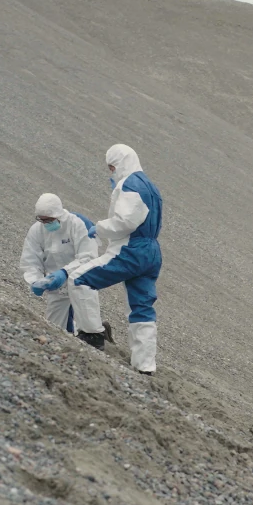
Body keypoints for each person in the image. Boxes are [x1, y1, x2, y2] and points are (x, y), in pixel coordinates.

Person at [69, 144, 163, 375]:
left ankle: (92, 334)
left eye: (112, 167)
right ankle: (144, 365)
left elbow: (126, 221)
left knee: (79, 280)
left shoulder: (130, 184)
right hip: (151, 251)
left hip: (130, 249)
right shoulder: (151, 187)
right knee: (142, 306)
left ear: (119, 164)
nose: (111, 172)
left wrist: (99, 229)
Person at [19, 193, 112, 350]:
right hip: (56, 285)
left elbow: (88, 257)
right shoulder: (37, 231)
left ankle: (96, 335)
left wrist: (65, 272)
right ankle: (84, 330)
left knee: (88, 323)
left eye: (49, 219)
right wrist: (35, 281)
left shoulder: (77, 224)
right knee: (53, 330)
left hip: (81, 280)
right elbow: (30, 260)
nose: (46, 223)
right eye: (42, 220)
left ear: (58, 214)